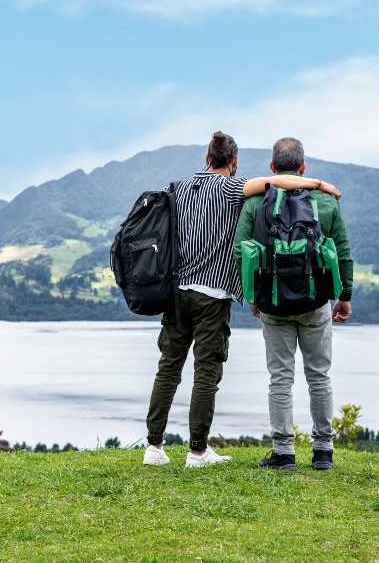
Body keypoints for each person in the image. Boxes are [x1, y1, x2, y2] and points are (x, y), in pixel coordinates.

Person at [143, 132, 341, 468]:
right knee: (206, 372)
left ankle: (154, 447)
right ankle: (197, 452)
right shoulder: (232, 188)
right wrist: (320, 185)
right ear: (233, 162)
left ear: (207, 158)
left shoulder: (177, 188)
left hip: (175, 294)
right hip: (212, 294)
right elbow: (278, 182)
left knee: (168, 369)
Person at [232, 137, 353, 471]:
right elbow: (342, 252)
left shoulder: (256, 202)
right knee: (319, 376)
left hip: (272, 304)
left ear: (272, 168)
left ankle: (283, 453)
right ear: (303, 167)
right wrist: (344, 297)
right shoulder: (326, 202)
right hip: (316, 303)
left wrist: (253, 296)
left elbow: (240, 251)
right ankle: (323, 452)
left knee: (280, 379)